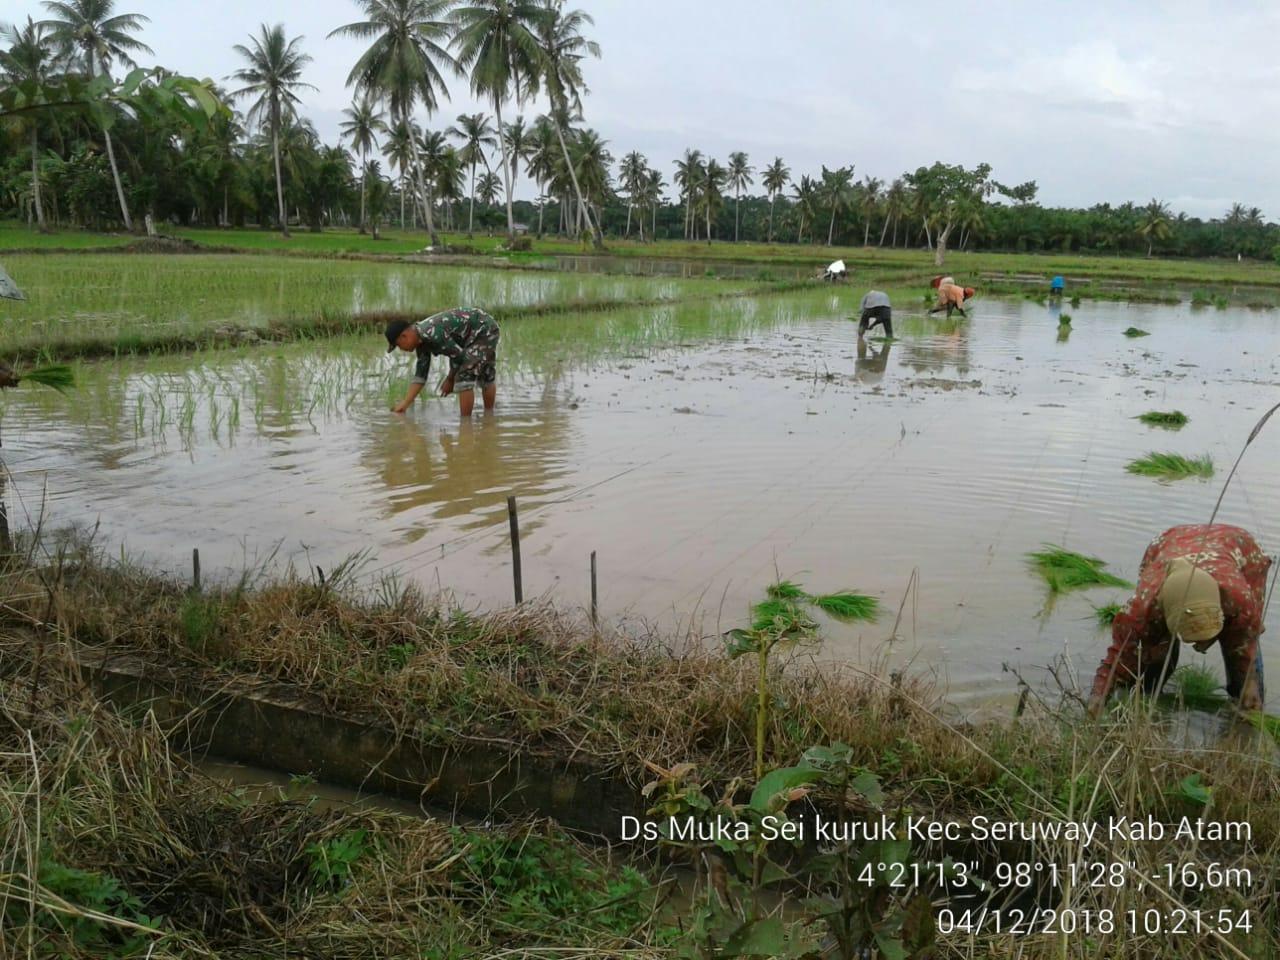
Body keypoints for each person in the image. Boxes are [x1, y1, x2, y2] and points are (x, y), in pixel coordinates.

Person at [1087, 524, 1269, 717]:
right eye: (1193, 637)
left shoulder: (1239, 599)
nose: (1200, 646)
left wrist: (1249, 680)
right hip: (1169, 542)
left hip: (1238, 547)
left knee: (1244, 671)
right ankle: (1147, 698)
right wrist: (1099, 696)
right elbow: (1118, 657)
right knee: (1154, 650)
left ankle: (1245, 707)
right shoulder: (1141, 611)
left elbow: (1245, 638)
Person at [386, 307, 500, 416]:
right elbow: (420, 375)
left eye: (399, 345)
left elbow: (458, 357)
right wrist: (405, 404)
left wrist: (450, 379)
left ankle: (466, 425)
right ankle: (489, 417)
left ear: (404, 336)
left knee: (465, 376)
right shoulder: (421, 342)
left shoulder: (432, 333)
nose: (402, 349)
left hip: (484, 329)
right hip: (475, 332)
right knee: (485, 373)